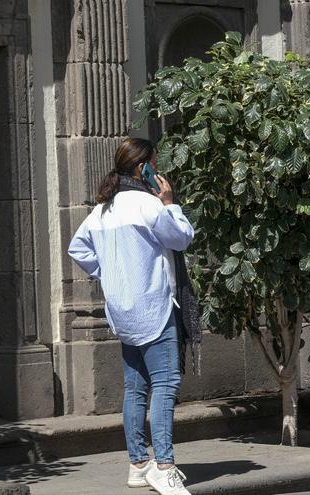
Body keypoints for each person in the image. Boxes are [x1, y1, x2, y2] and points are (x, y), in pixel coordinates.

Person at [68, 138, 195, 495]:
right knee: (166, 384)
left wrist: (107, 271)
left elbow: (77, 247)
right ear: (144, 168)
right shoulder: (148, 205)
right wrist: (170, 203)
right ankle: (164, 465)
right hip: (154, 306)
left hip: (122, 310)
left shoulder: (103, 210)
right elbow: (182, 237)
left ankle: (139, 464)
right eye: (156, 162)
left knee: (135, 388)